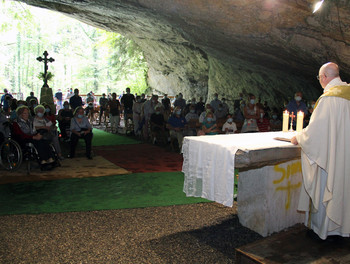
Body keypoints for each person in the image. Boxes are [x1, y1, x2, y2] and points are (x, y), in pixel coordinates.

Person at [291, 62, 350, 240]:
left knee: (328, 186)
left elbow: (316, 132)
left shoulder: (328, 99)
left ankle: (327, 230)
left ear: (324, 77)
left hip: (331, 157)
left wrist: (299, 137)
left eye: (319, 78)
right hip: (346, 154)